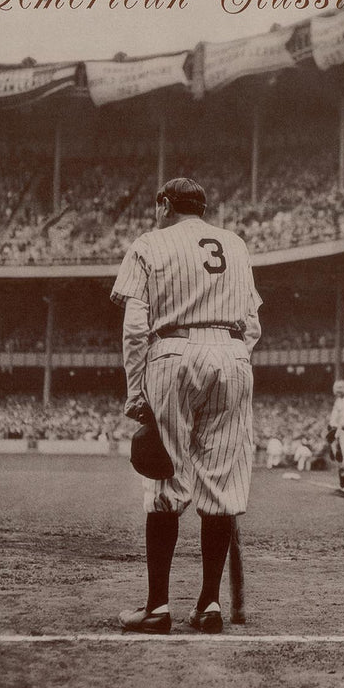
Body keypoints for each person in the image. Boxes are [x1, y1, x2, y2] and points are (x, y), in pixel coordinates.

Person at [112, 177, 261, 635]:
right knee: (221, 485)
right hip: (233, 354)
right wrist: (232, 357)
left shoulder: (149, 243)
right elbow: (253, 323)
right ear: (202, 207)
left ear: (163, 204)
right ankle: (209, 605)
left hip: (172, 352)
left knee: (166, 483)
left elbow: (136, 327)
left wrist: (137, 391)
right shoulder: (235, 244)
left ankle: (158, 608)